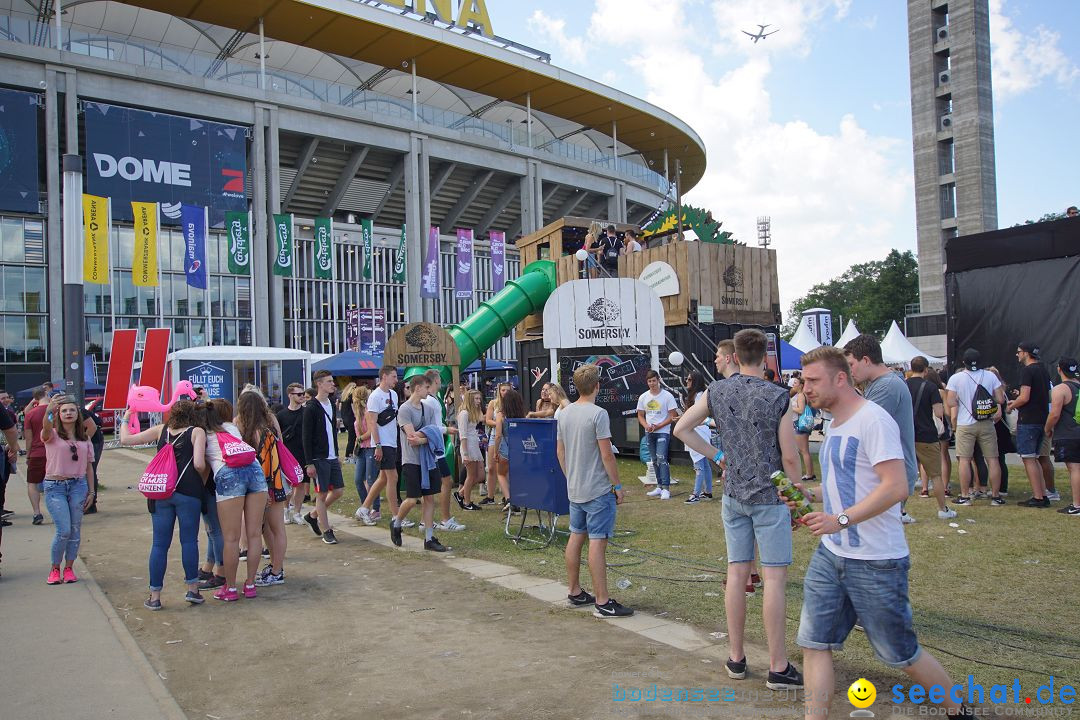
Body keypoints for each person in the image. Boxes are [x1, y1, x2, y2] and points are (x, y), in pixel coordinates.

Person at [790, 346, 971, 719]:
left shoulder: (873, 420)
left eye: (812, 381)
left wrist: (839, 520)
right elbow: (848, 482)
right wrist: (812, 494)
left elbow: (895, 487)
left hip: (876, 561)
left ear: (841, 378)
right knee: (814, 643)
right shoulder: (834, 423)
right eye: (804, 381)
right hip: (831, 555)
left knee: (901, 655)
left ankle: (958, 712)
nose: (804, 389)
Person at [674, 329, 803, 690]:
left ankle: (736, 657)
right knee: (774, 578)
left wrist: (718, 456)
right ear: (765, 357)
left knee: (736, 573)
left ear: (736, 355)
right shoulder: (779, 397)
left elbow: (682, 428)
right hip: (769, 497)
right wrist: (796, 495)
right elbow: (790, 456)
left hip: (734, 494)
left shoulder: (715, 391)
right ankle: (778, 665)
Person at [557, 364, 633, 618]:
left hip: (575, 488)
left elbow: (560, 451)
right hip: (598, 490)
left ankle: (575, 590)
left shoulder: (565, 413)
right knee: (597, 542)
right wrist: (618, 486)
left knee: (576, 536)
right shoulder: (598, 414)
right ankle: (603, 600)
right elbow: (606, 454)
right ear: (597, 386)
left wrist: (571, 476)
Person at [120, 399, 208, 609]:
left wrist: (126, 416)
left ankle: (155, 595)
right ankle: (192, 590)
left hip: (160, 492)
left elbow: (126, 439)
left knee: (159, 544)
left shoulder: (161, 430)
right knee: (188, 542)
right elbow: (198, 463)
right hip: (188, 492)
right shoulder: (197, 432)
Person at [844, 335, 919, 524]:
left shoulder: (886, 386)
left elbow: (859, 426)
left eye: (851, 364)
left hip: (891, 476)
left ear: (866, 360)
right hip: (889, 472)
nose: (849, 371)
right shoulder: (881, 384)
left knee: (877, 534)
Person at [203, 398, 266, 601]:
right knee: (255, 534)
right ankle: (250, 584)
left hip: (229, 474)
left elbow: (201, 464)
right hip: (255, 471)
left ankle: (230, 588)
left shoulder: (203, 433)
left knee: (231, 538)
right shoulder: (232, 427)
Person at [40, 395, 96, 585]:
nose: (68, 413)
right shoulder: (52, 434)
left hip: (78, 486)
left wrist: (92, 491)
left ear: (78, 414)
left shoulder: (84, 437)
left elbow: (89, 467)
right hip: (55, 487)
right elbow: (46, 427)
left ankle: (69, 568)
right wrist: (49, 411)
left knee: (75, 530)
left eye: (72, 410)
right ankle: (55, 569)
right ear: (58, 414)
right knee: (63, 530)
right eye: (64, 410)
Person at [390, 375, 448, 552]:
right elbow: (412, 439)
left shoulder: (427, 409)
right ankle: (397, 522)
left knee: (429, 498)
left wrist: (427, 437)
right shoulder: (404, 410)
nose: (428, 391)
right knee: (412, 498)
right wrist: (428, 438)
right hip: (411, 460)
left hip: (428, 460)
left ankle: (429, 538)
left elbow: (431, 433)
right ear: (417, 388)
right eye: (426, 387)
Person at [236, 392, 288, 587]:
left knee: (269, 529)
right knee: (274, 529)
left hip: (262, 485)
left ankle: (277, 571)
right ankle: (276, 567)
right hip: (276, 482)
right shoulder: (270, 425)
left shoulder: (248, 429)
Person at [946, 349, 1006, 506]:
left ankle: (965, 496)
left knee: (964, 460)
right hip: (986, 422)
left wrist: (961, 398)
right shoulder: (990, 376)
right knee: (992, 459)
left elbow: (951, 402)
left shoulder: (956, 378)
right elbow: (1000, 398)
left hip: (965, 423)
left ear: (963, 362)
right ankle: (995, 496)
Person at [1007, 341, 1058, 504]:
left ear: (1026, 353)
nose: (1017, 354)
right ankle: (1042, 494)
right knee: (1036, 457)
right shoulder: (1043, 370)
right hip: (1042, 419)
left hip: (1028, 420)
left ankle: (1038, 497)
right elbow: (1048, 395)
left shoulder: (1028, 371)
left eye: (1018, 351)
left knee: (1028, 458)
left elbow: (1025, 397)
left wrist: (1012, 405)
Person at [907, 357, 957, 520]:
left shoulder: (904, 385)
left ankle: (900, 511)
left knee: (906, 475)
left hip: (907, 434)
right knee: (935, 474)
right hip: (927, 435)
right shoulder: (930, 387)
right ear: (926, 370)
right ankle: (943, 509)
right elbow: (938, 413)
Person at [301, 370, 344, 544]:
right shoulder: (311, 407)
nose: (332, 384)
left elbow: (332, 431)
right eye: (329, 381)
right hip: (319, 457)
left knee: (338, 490)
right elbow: (306, 436)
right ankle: (326, 529)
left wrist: (337, 454)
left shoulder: (331, 403)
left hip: (331, 455)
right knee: (322, 493)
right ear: (319, 384)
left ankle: (313, 515)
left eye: (332, 381)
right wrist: (309, 463)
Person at [357, 366, 402, 526]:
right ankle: (396, 516)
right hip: (383, 442)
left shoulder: (394, 395)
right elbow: (372, 423)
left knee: (383, 478)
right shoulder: (375, 396)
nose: (396, 380)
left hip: (392, 440)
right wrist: (378, 445)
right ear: (384, 376)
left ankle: (364, 508)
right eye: (394, 377)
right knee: (392, 477)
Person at [421, 369, 463, 533]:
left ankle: (425, 521)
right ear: (436, 381)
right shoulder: (430, 401)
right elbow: (429, 426)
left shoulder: (433, 399)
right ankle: (445, 519)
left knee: (434, 483)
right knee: (446, 481)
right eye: (439, 380)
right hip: (434, 447)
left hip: (435, 445)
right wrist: (446, 429)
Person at [1046, 357, 1080, 515]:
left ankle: (1077, 505)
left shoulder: (1060, 389)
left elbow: (1054, 414)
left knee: (1074, 468)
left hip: (1069, 434)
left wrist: (1048, 429)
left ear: (1059, 369)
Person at [638, 370, 678, 500]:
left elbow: (673, 416)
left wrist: (658, 426)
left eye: (654, 380)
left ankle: (666, 488)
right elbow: (640, 415)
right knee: (654, 460)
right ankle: (659, 486)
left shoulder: (667, 396)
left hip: (662, 432)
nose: (652, 383)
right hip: (649, 432)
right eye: (649, 381)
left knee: (661, 458)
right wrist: (646, 426)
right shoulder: (643, 397)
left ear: (658, 380)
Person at [491, 388, 528, 513]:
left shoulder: (501, 414)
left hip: (505, 449)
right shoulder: (521, 415)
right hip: (519, 449)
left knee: (501, 474)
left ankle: (509, 500)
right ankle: (517, 501)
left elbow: (497, 435)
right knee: (515, 476)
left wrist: (495, 452)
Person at [277, 383, 308, 526]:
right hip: (287, 454)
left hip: (303, 452)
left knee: (301, 483)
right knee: (287, 485)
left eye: (303, 394)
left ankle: (297, 512)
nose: (302, 396)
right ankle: (285, 510)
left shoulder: (306, 412)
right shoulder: (281, 415)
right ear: (290, 395)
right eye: (299, 394)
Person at [682, 370, 714, 504]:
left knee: (699, 464)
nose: (687, 382)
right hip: (697, 431)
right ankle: (707, 492)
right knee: (704, 464)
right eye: (687, 379)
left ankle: (695, 494)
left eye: (689, 380)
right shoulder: (696, 395)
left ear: (695, 382)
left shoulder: (700, 396)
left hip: (699, 432)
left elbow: (701, 416)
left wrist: (687, 420)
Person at [352, 385, 380, 521]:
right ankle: (365, 506)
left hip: (370, 447)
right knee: (358, 480)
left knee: (371, 479)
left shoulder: (368, 411)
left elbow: (371, 431)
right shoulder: (357, 413)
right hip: (361, 449)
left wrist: (359, 438)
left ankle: (375, 508)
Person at [480, 382, 511, 505]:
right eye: (503, 390)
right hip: (494, 436)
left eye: (507, 390)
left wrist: (500, 423)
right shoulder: (493, 403)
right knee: (491, 467)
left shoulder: (512, 403)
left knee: (504, 468)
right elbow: (487, 420)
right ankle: (490, 496)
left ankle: (506, 496)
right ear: (499, 391)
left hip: (506, 437)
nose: (505, 392)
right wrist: (499, 423)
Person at [454, 389, 485, 511]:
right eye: (476, 399)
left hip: (474, 443)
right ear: (470, 399)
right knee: (471, 476)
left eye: (479, 398)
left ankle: (461, 494)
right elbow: (463, 435)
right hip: (468, 446)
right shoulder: (464, 413)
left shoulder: (473, 412)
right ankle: (467, 502)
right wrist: (465, 453)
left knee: (481, 475)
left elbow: (482, 419)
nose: (478, 401)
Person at [925, 368, 952, 497]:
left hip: (926, 425)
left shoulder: (923, 389)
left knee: (925, 457)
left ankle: (925, 487)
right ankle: (945, 486)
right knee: (943, 456)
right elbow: (946, 411)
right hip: (941, 425)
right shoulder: (941, 392)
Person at [788, 375, 815, 482]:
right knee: (805, 450)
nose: (793, 385)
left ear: (801, 385)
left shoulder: (800, 395)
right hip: (803, 424)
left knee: (803, 451)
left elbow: (800, 410)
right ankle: (810, 473)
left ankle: (809, 474)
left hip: (800, 424)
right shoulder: (804, 394)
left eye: (795, 383)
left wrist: (791, 407)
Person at [339, 382, 358, 465]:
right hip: (351, 419)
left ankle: (349, 456)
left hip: (345, 419)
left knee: (351, 438)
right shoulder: (352, 396)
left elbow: (339, 408)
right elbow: (354, 407)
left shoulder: (343, 397)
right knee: (352, 439)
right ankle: (348, 456)